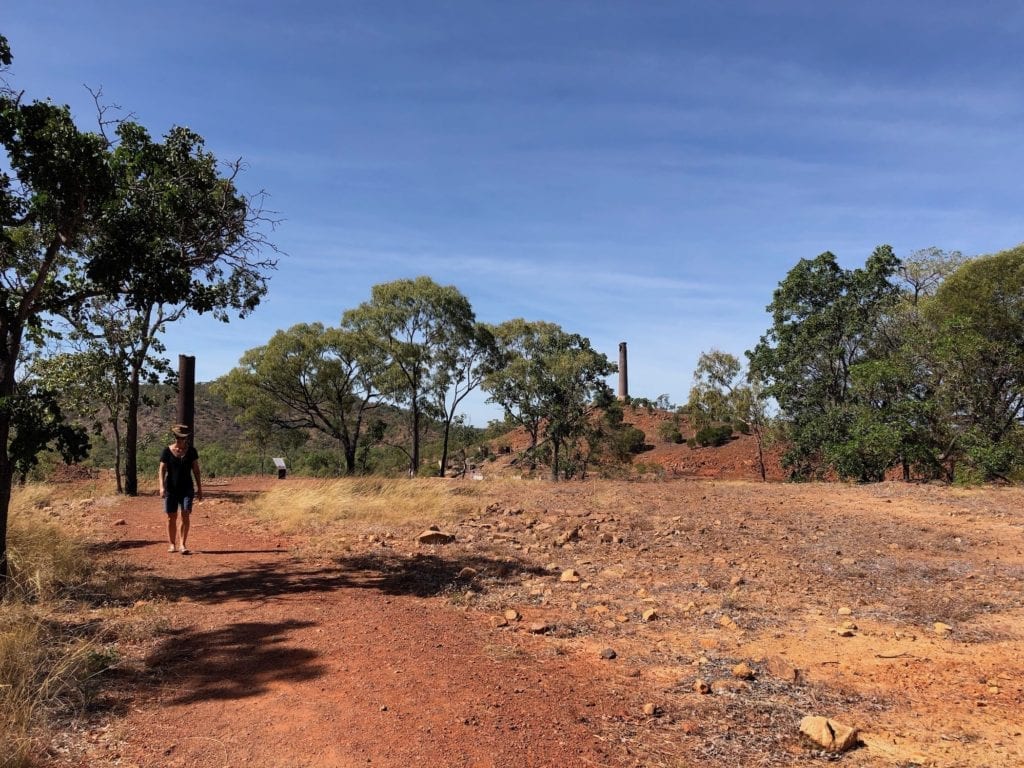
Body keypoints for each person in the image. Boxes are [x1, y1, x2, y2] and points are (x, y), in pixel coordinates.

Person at [158, 424, 203, 554]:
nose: (179, 440)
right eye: (177, 437)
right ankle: (172, 544)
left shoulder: (192, 451)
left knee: (185, 515)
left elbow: (196, 470)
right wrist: (161, 486)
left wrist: (199, 488)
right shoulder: (167, 451)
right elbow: (161, 469)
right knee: (171, 517)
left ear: (186, 438)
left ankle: (183, 544)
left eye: (182, 438)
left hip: (187, 488)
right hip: (171, 488)